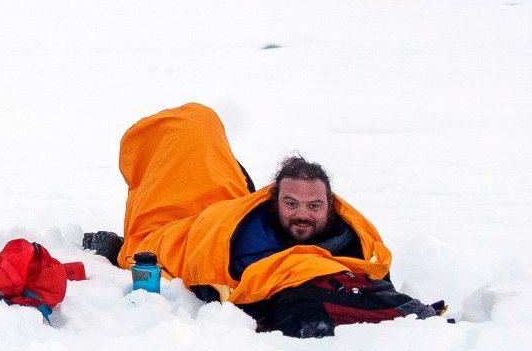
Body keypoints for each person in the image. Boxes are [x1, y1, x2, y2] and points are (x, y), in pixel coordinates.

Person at [91, 102, 438, 336]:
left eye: (314, 206)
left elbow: (371, 273)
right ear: (274, 200)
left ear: (330, 205)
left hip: (218, 203)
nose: (302, 215)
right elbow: (172, 251)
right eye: (291, 204)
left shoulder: (352, 236)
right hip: (188, 225)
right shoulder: (249, 231)